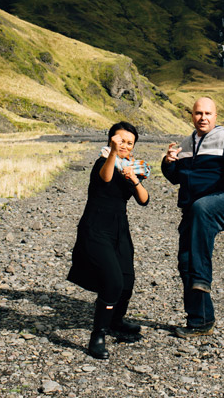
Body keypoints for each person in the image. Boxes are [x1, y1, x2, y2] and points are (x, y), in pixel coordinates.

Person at [161, 97, 224, 338]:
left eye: (208, 113)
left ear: (216, 116)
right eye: (198, 113)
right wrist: (168, 162)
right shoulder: (186, 144)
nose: (203, 117)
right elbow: (175, 177)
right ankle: (200, 321)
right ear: (192, 116)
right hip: (195, 209)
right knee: (186, 260)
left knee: (202, 209)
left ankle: (202, 278)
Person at [67, 121, 150, 359]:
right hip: (95, 228)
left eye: (129, 143)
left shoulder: (129, 168)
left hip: (119, 229)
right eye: (120, 140)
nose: (124, 145)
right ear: (110, 140)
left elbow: (144, 200)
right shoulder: (102, 162)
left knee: (127, 280)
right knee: (112, 281)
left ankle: (116, 321)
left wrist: (134, 179)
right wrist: (113, 153)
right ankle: (98, 335)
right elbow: (105, 178)